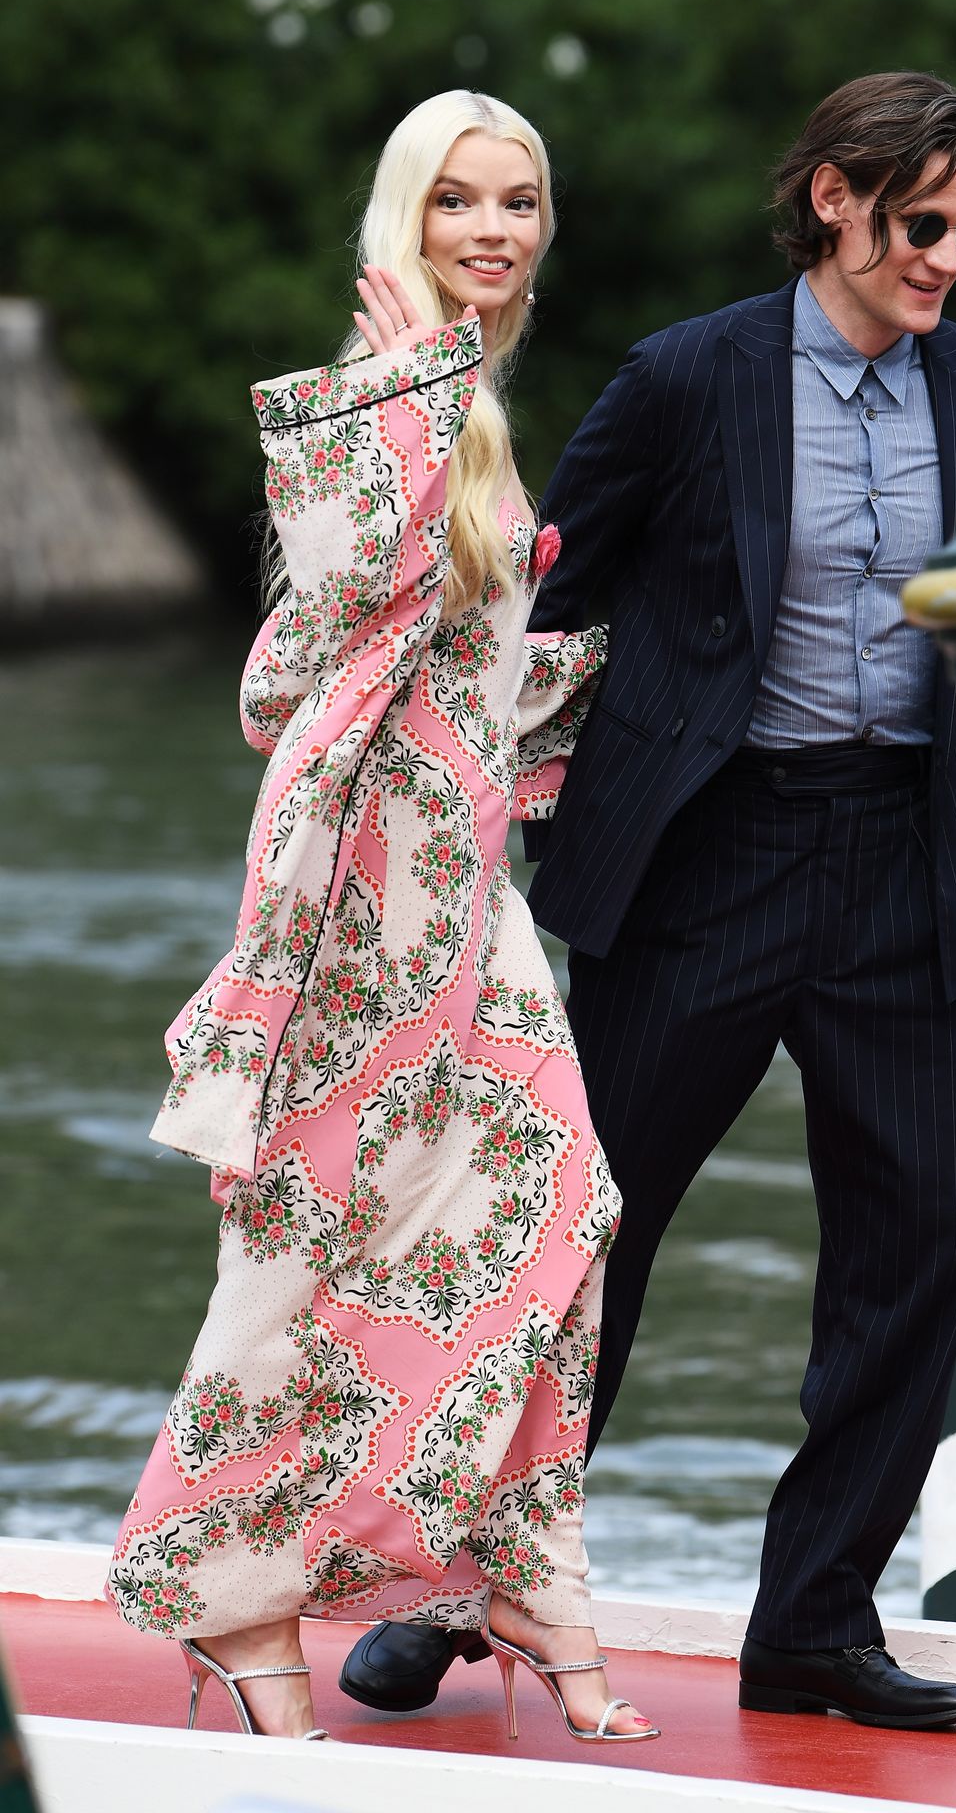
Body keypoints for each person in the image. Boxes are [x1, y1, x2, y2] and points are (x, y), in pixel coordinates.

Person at [343, 69, 956, 1733]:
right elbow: (538, 592)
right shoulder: (689, 375)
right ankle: (459, 1589)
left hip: (904, 870)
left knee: (922, 1250)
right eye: (922, 223)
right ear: (835, 205)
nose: (948, 254)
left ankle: (814, 1623)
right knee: (582, 1244)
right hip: (705, 860)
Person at [105, 90, 657, 1747]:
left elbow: (386, 661)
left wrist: (594, 676)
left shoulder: (467, 407)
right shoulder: (378, 399)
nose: (490, 231)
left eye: (520, 203)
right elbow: (332, 625)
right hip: (355, 904)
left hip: (463, 897)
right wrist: (412, 382)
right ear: (401, 223)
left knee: (563, 1214)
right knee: (304, 1250)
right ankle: (245, 1616)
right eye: (455, 205)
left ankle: (509, 1571)